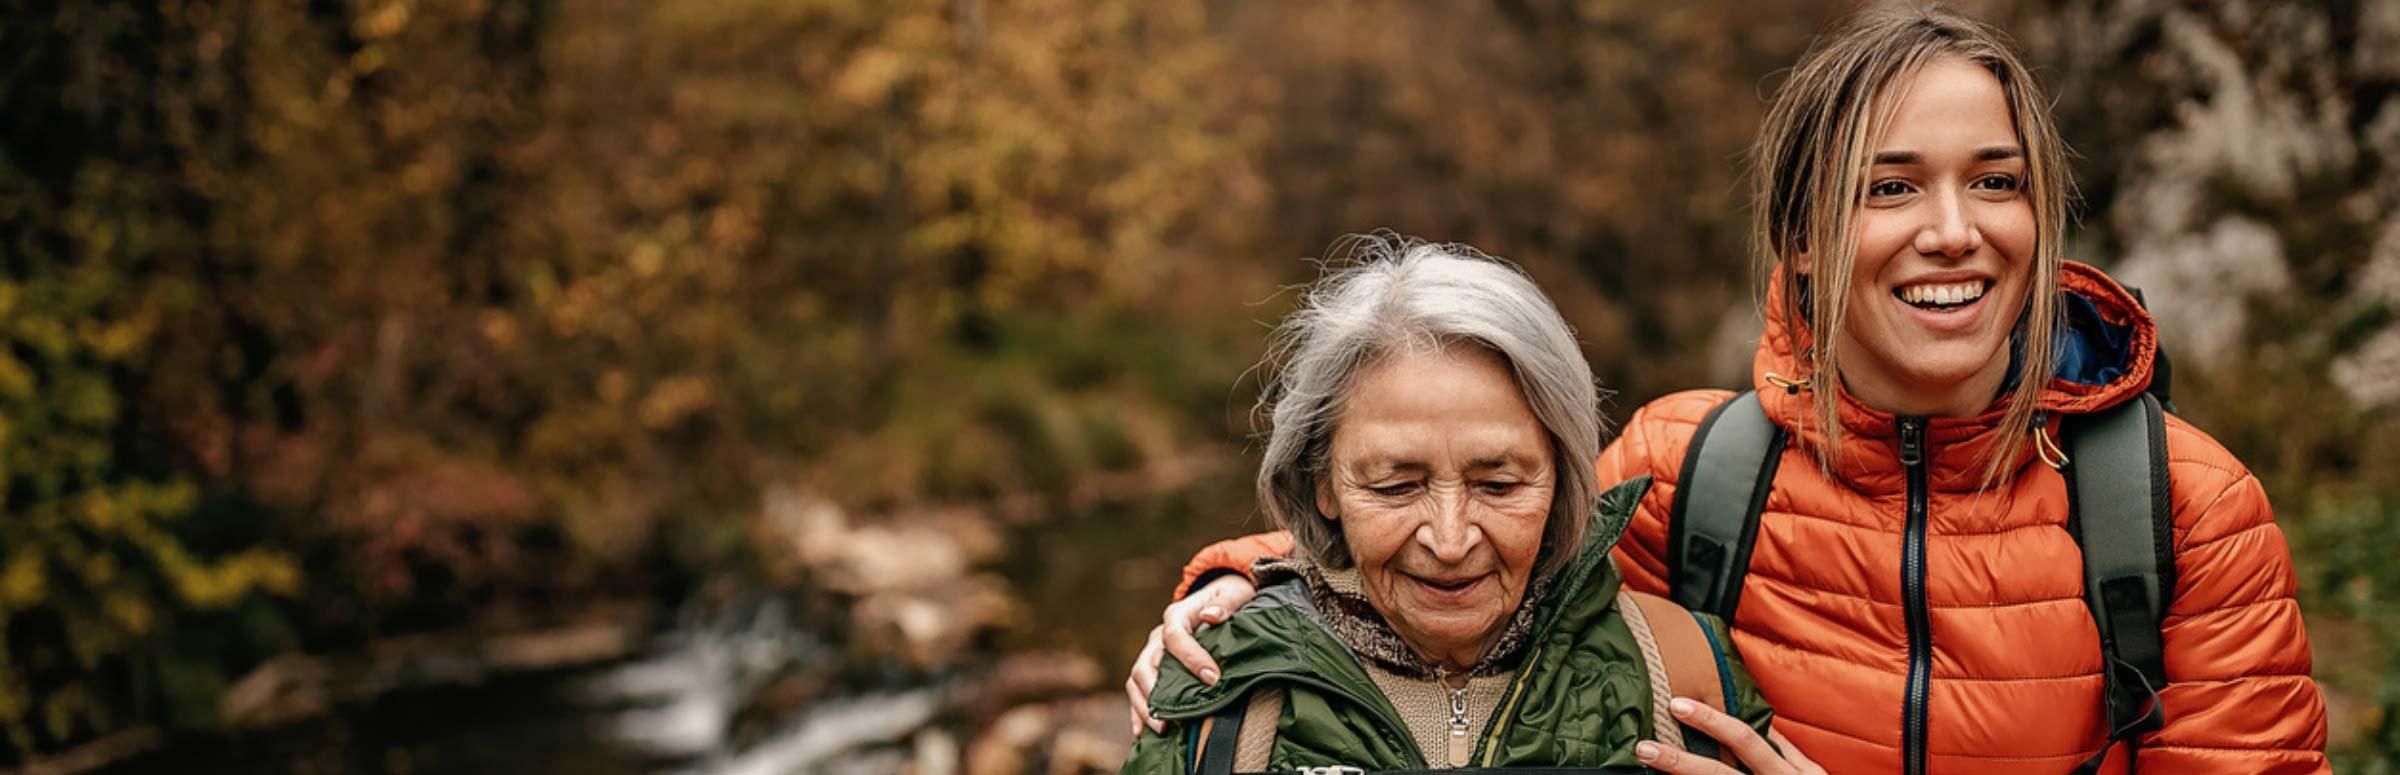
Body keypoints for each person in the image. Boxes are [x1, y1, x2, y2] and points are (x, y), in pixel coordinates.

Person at [1126, 5, 2331, 774]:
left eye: (1997, 181)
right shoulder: (1692, 469)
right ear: (1801, 238)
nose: (1954, 231)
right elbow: (1472, 547)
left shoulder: (2181, 507)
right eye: (1890, 187)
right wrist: (1238, 590)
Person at [1119, 237, 1802, 774]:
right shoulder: (1225, 688)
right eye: (1395, 486)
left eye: (1498, 485)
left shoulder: (1681, 670)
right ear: (1322, 483)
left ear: (1562, 476)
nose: (1449, 542)